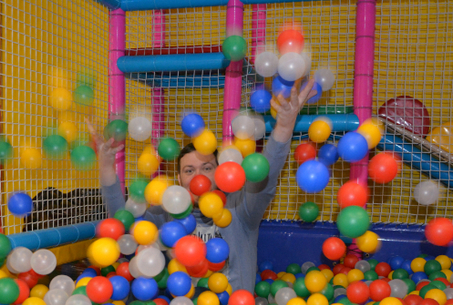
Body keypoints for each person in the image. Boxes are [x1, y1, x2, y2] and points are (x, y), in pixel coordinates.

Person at [91, 78, 318, 293]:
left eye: (207, 168)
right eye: (189, 171)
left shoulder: (240, 209)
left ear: (220, 173)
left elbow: (264, 179)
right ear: (179, 179)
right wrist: (106, 165)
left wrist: (284, 127)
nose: (198, 177)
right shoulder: (165, 214)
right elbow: (123, 226)